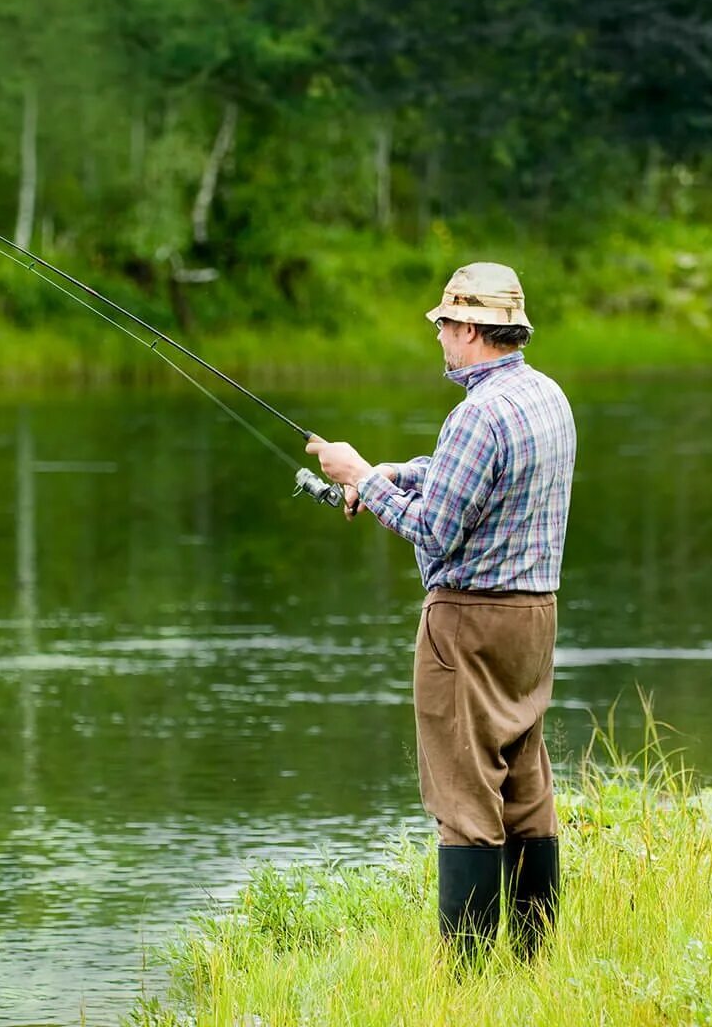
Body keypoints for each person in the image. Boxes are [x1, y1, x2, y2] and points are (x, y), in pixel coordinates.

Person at [306, 261, 576, 965]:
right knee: (524, 784)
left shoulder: (476, 414)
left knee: (463, 798)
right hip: (534, 622)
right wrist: (400, 472)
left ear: (474, 329)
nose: (441, 340)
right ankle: (534, 958)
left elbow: (435, 532)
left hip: (467, 626)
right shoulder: (546, 396)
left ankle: (469, 976)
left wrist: (359, 475)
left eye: (447, 327)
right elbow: (478, 482)